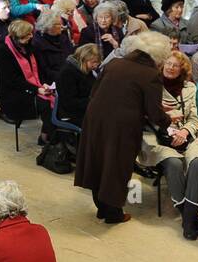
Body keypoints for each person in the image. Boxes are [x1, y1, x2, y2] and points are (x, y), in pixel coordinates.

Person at [74, 32, 173, 223]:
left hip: (96, 119)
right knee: (116, 166)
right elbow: (154, 113)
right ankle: (113, 213)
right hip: (122, 126)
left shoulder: (114, 63)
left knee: (99, 161)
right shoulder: (150, 74)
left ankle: (102, 208)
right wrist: (169, 120)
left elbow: (95, 92)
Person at [137, 51, 198, 239]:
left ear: (182, 69)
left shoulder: (190, 88)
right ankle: (190, 219)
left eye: (175, 65)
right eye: (167, 64)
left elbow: (195, 117)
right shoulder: (151, 86)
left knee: (197, 162)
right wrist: (164, 117)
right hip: (158, 136)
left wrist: (185, 131)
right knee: (175, 163)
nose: (170, 68)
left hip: (186, 134)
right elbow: (140, 114)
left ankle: (188, 218)